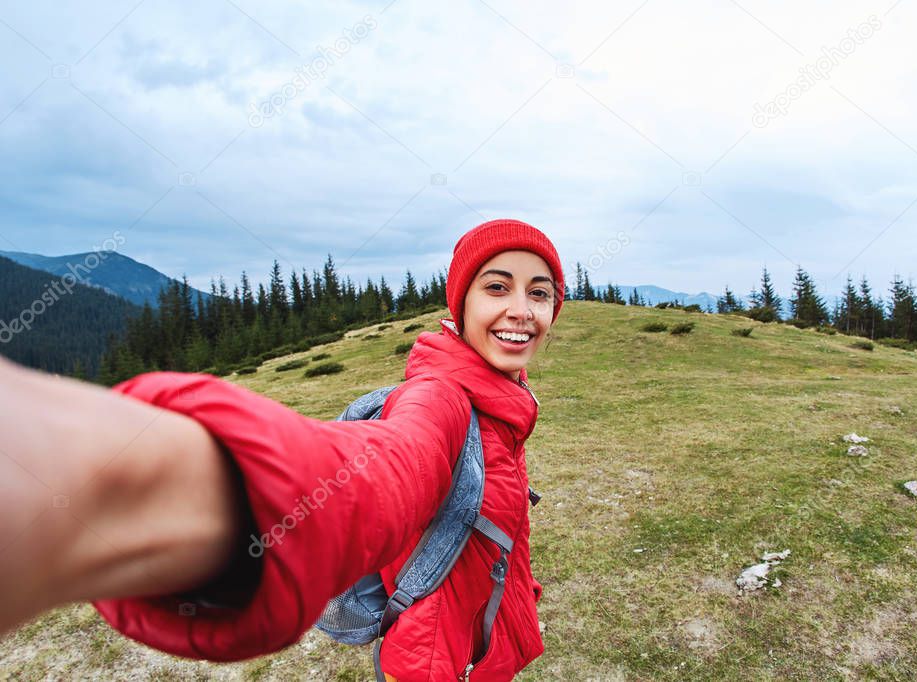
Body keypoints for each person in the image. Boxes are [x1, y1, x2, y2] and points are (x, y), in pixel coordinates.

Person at [0, 218, 565, 681]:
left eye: (538, 293)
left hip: (481, 643)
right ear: (459, 305)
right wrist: (161, 482)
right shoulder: (439, 398)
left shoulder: (503, 398)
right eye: (496, 286)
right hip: (436, 665)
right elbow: (389, 468)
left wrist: (519, 585)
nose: (522, 310)